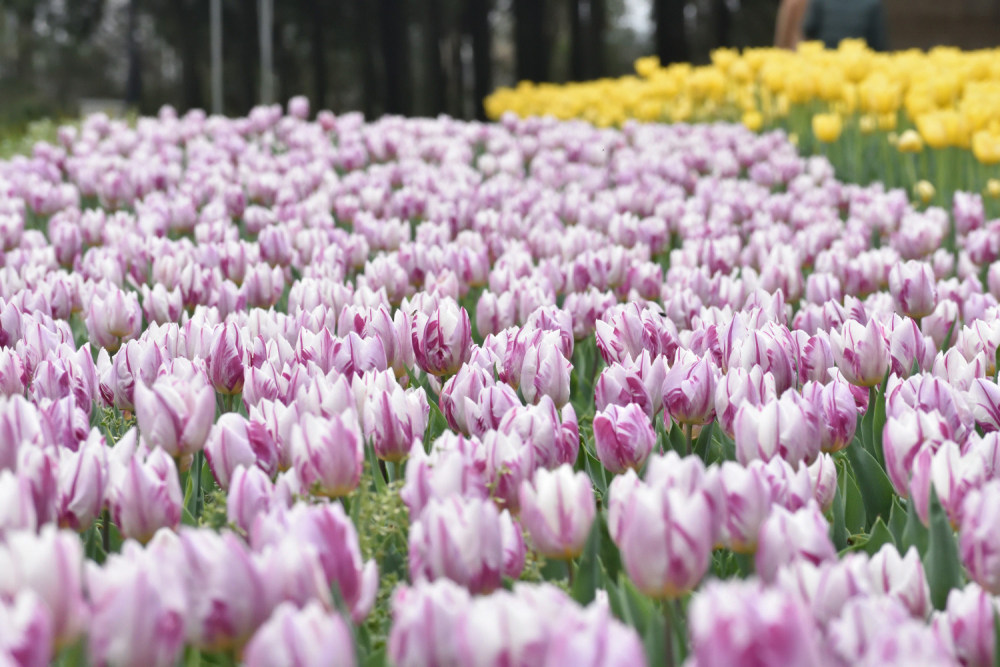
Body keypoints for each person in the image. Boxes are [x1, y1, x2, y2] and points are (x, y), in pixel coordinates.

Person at [802, 0, 889, 51]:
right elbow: (878, 44)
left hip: (825, 65)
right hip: (858, 65)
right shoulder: (873, 3)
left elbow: (809, 32)